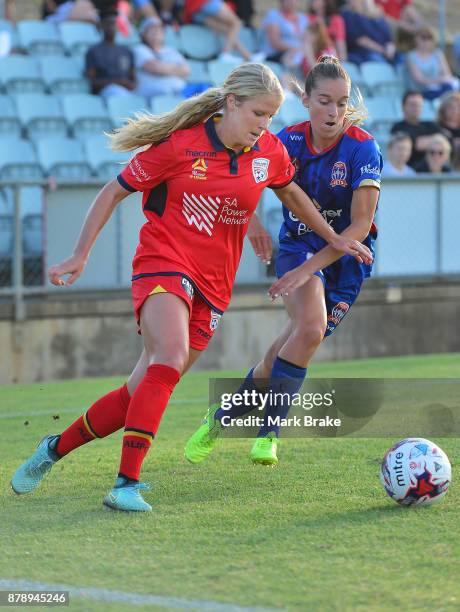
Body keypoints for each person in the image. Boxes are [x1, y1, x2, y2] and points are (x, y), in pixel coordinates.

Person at [10, 63, 372, 512]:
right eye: (258, 113)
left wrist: (334, 237)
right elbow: (112, 191)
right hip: (163, 264)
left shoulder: (269, 151)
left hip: (214, 285)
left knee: (136, 396)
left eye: (272, 117)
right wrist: (80, 254)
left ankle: (53, 449)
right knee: (170, 356)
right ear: (231, 104)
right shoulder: (180, 146)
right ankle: (126, 483)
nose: (265, 125)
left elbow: (292, 193)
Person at [183, 55, 382, 466]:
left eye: (342, 103)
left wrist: (311, 270)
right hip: (297, 246)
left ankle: (219, 419)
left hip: (347, 258)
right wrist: (252, 220)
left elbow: (359, 227)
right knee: (309, 328)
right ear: (305, 99)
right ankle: (268, 435)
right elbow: (234, 175)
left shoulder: (363, 148)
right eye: (324, 101)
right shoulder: (285, 142)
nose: (333, 112)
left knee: (288, 348)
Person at [134, 16, 190, 98]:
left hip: (179, 91)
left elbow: (186, 70)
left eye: (159, 29)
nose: (156, 32)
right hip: (153, 93)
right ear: (143, 34)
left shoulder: (171, 50)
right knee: (165, 91)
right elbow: (155, 68)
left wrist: (163, 68)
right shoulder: (140, 49)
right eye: (152, 29)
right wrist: (176, 69)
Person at [182, 0, 255, 62]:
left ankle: (248, 56)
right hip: (205, 2)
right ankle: (226, 53)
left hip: (192, 8)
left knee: (227, 31)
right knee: (236, 23)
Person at [85, 12, 136, 99]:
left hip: (126, 91)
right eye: (108, 23)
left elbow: (133, 78)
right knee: (118, 93)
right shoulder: (94, 51)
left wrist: (130, 84)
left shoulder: (126, 51)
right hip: (106, 91)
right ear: (102, 26)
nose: (112, 26)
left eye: (114, 23)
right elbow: (92, 83)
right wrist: (118, 82)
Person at [406, 26, 459, 101]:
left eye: (429, 37)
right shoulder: (411, 56)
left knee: (451, 90)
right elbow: (420, 80)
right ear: (416, 38)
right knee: (449, 94)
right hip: (422, 92)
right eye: (423, 37)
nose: (426, 41)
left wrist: (440, 80)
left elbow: (447, 74)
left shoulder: (437, 54)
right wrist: (439, 80)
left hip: (441, 88)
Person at [390, 90, 440, 169]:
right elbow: (418, 144)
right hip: (408, 173)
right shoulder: (398, 128)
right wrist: (435, 141)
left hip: (432, 172)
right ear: (403, 106)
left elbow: (444, 142)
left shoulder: (430, 125)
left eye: (419, 105)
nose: (416, 108)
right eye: (412, 105)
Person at [342, 0, 396, 65]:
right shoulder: (348, 15)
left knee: (403, 59)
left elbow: (388, 38)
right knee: (378, 60)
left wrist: (391, 47)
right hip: (364, 54)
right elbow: (359, 39)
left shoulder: (374, 16)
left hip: (386, 53)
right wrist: (384, 51)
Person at [260, 0, 310, 68]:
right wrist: (295, 49)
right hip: (276, 55)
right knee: (300, 59)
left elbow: (307, 39)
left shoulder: (303, 18)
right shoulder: (274, 15)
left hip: (299, 53)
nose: (291, 2)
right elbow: (275, 43)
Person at [436, 92, 460, 163]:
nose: (454, 111)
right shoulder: (436, 127)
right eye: (451, 107)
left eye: (458, 107)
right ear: (443, 109)